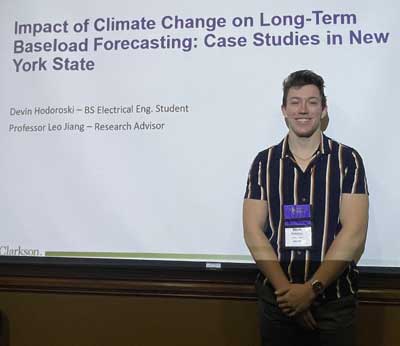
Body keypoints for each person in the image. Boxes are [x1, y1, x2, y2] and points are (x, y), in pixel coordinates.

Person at [243, 70, 369, 346]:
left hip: (334, 305)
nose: (303, 109)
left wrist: (310, 291)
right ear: (284, 110)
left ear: (323, 109)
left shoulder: (348, 160)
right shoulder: (264, 163)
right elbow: (253, 232)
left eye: (312, 102)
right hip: (278, 304)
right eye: (295, 102)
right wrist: (288, 293)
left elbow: (354, 233)